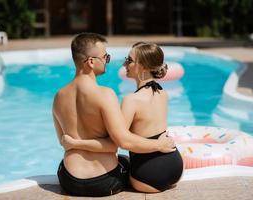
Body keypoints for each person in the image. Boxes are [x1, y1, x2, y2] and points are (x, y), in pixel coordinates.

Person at [52, 33, 175, 197]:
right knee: (127, 162)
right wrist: (159, 145)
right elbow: (115, 144)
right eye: (105, 57)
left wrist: (75, 143)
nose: (107, 61)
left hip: (69, 180)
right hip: (104, 181)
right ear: (91, 61)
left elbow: (64, 142)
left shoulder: (58, 97)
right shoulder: (105, 95)